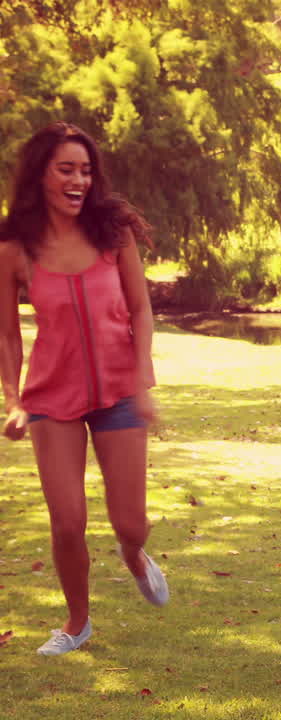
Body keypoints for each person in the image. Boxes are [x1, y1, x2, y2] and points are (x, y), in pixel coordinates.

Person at [0, 122, 167, 656]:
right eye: (66, 169)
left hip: (119, 391)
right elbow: (6, 334)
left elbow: (141, 310)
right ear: (40, 176)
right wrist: (13, 400)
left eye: (86, 170)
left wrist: (142, 382)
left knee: (131, 524)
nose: (79, 180)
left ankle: (135, 555)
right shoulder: (14, 248)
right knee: (68, 521)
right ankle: (77, 622)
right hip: (52, 398)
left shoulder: (112, 234)